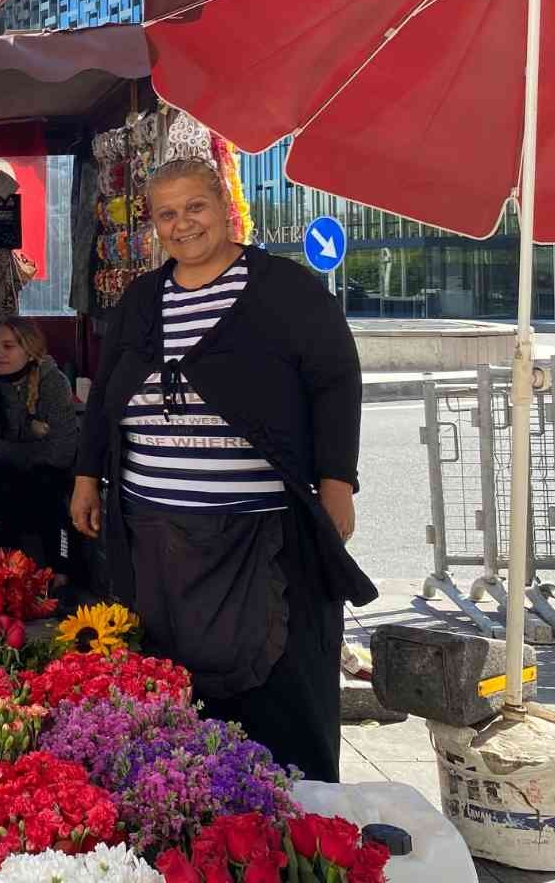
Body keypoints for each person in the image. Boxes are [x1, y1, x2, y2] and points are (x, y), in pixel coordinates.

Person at [70, 157, 376, 783]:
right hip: (153, 533)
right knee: (172, 691)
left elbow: (336, 380)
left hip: (259, 537)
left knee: (277, 693)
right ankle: (181, 813)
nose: (183, 224)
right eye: (167, 214)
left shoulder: (283, 290)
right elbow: (105, 394)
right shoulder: (140, 300)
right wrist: (86, 477)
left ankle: (287, 821)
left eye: (195, 207)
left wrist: (336, 483)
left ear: (224, 206)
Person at [0, 318, 78, 574]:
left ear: (29, 350)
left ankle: (55, 574)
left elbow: (62, 452)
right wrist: (32, 431)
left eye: (8, 346)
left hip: (45, 486)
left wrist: (9, 445)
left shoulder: (53, 382)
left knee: (48, 489)